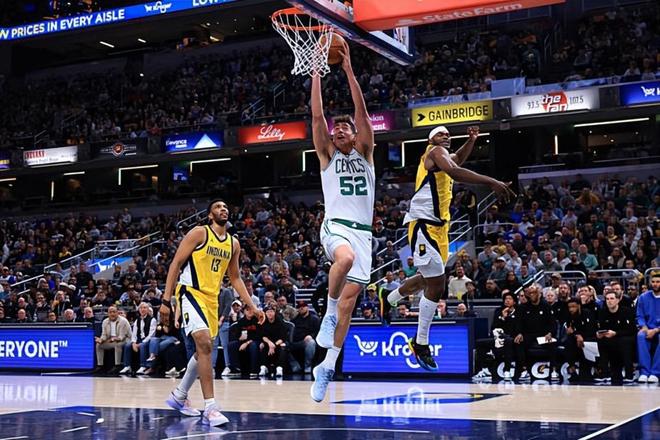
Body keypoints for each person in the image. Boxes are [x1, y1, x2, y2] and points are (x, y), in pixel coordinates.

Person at [380, 124, 514, 371]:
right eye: (441, 133)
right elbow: (455, 170)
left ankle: (389, 298)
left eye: (448, 134)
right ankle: (420, 342)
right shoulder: (434, 152)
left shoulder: (443, 156)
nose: (447, 136)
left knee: (427, 279)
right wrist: (491, 181)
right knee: (438, 283)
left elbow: (457, 160)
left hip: (441, 229)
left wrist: (471, 140)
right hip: (424, 225)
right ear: (431, 139)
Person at [309, 41, 376, 402]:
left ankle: (327, 366)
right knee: (344, 260)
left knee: (350, 306)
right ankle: (328, 313)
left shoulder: (365, 152)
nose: (337, 131)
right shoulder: (327, 156)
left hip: (364, 234)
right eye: (335, 129)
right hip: (335, 225)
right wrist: (317, 72)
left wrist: (348, 70)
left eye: (344, 128)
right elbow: (317, 117)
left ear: (355, 135)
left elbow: (361, 113)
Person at [159, 199, 264, 426]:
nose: (223, 209)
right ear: (209, 215)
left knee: (203, 352)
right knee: (205, 343)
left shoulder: (233, 244)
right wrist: (166, 300)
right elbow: (175, 264)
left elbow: (235, 278)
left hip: (211, 299)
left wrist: (252, 306)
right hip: (190, 292)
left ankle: (179, 395)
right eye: (218, 207)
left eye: (225, 206)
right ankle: (211, 407)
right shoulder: (200, 233)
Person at [597, 291, 637, 384]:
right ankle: (605, 373)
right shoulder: (602, 312)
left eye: (612, 298)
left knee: (625, 342)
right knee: (601, 341)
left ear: (618, 300)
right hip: (609, 337)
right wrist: (600, 333)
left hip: (625, 337)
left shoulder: (626, 311)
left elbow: (631, 330)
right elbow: (601, 327)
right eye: (607, 299)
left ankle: (629, 375)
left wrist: (616, 333)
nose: (609, 301)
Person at [635, 273, 660, 383]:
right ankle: (644, 372)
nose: (655, 284)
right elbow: (639, 315)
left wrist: (656, 330)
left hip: (658, 329)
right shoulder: (643, 297)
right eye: (653, 282)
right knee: (640, 335)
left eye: (658, 282)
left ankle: (655, 372)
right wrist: (644, 327)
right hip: (647, 328)